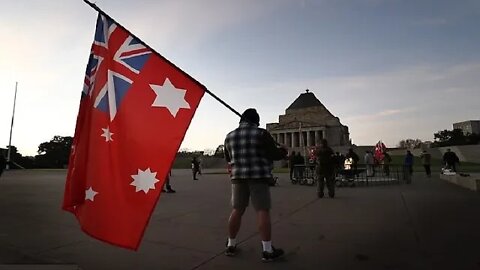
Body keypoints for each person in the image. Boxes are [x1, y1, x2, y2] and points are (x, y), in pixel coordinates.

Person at [224, 108, 287, 262]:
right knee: (262, 210)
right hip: (258, 176)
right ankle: (267, 250)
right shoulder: (261, 134)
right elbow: (274, 154)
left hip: (238, 177)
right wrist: (283, 151)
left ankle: (231, 244)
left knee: (237, 210)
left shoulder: (229, 136)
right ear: (256, 121)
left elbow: (228, 158)